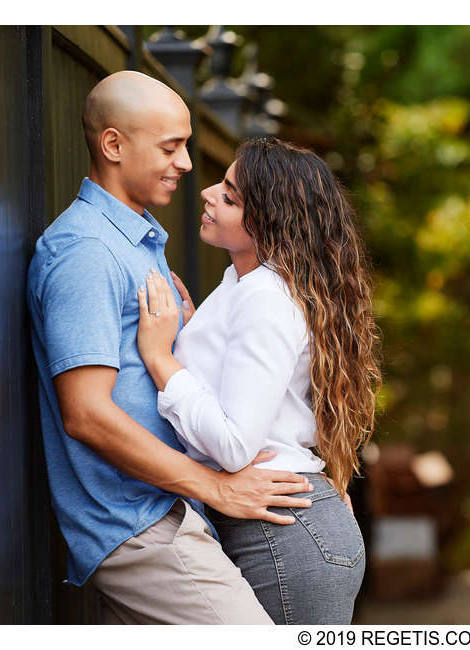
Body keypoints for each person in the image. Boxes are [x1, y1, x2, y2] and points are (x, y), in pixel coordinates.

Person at [26, 71, 314, 625]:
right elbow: (86, 414)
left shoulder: (138, 240)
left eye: (186, 143)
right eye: (170, 146)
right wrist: (217, 488)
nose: (186, 163)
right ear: (113, 145)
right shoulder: (86, 252)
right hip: (139, 523)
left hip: (170, 510)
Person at [135, 137, 382, 624]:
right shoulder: (244, 284)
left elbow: (233, 445)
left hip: (283, 535)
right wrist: (190, 334)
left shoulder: (266, 296)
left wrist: (160, 357)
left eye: (229, 197)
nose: (206, 192)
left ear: (268, 222)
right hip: (286, 528)